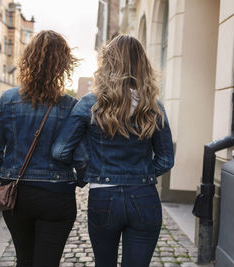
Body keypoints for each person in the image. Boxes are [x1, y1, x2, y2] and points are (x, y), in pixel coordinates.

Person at [52, 34, 174, 267]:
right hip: (144, 195)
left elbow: (60, 151)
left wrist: (88, 171)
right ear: (142, 65)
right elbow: (166, 160)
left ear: (107, 63)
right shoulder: (154, 106)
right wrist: (141, 174)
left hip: (103, 196)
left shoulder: (90, 104)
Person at [0, 30, 87, 267]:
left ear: (28, 60)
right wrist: (78, 181)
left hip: (17, 196)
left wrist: (4, 179)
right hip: (56, 195)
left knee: (24, 258)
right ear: (63, 65)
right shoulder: (71, 106)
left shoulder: (8, 99)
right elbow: (82, 159)